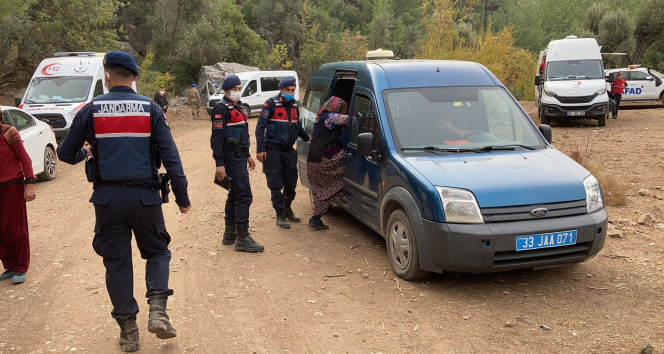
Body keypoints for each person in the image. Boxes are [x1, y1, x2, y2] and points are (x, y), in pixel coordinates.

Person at [56, 51, 192, 352]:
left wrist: (87, 152)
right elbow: (171, 158)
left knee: (117, 264)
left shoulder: (91, 109)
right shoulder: (151, 108)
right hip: (145, 198)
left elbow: (65, 154)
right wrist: (182, 197)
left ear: (107, 75)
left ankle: (129, 331)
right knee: (157, 252)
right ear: (135, 77)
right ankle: (157, 310)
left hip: (107, 201)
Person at [211, 75, 263, 252]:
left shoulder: (238, 107)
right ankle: (242, 237)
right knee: (244, 195)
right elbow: (216, 140)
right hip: (231, 158)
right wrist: (219, 164)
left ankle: (230, 234)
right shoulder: (221, 110)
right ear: (226, 91)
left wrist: (248, 155)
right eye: (235, 89)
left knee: (234, 194)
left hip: (240, 156)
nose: (238, 91)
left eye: (240, 88)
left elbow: (242, 134)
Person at [255, 76, 310, 229]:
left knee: (291, 183)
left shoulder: (294, 105)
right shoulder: (271, 104)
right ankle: (280, 214)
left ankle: (287, 208)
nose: (290, 93)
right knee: (276, 184)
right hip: (272, 151)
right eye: (288, 90)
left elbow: (297, 126)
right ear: (281, 90)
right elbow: (260, 129)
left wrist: (308, 139)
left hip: (288, 151)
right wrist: (260, 149)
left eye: (293, 90)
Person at [0, 110, 36, 284]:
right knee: (1, 230)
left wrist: (29, 184)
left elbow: (25, 159)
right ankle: (10, 265)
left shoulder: (9, 133)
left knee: (14, 227)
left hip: (12, 186)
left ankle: (21, 266)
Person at [306, 96, 349, 230]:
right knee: (349, 156)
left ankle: (315, 219)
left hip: (313, 160)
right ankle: (315, 219)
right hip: (322, 160)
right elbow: (349, 120)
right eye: (342, 109)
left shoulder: (320, 117)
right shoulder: (329, 118)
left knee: (321, 191)